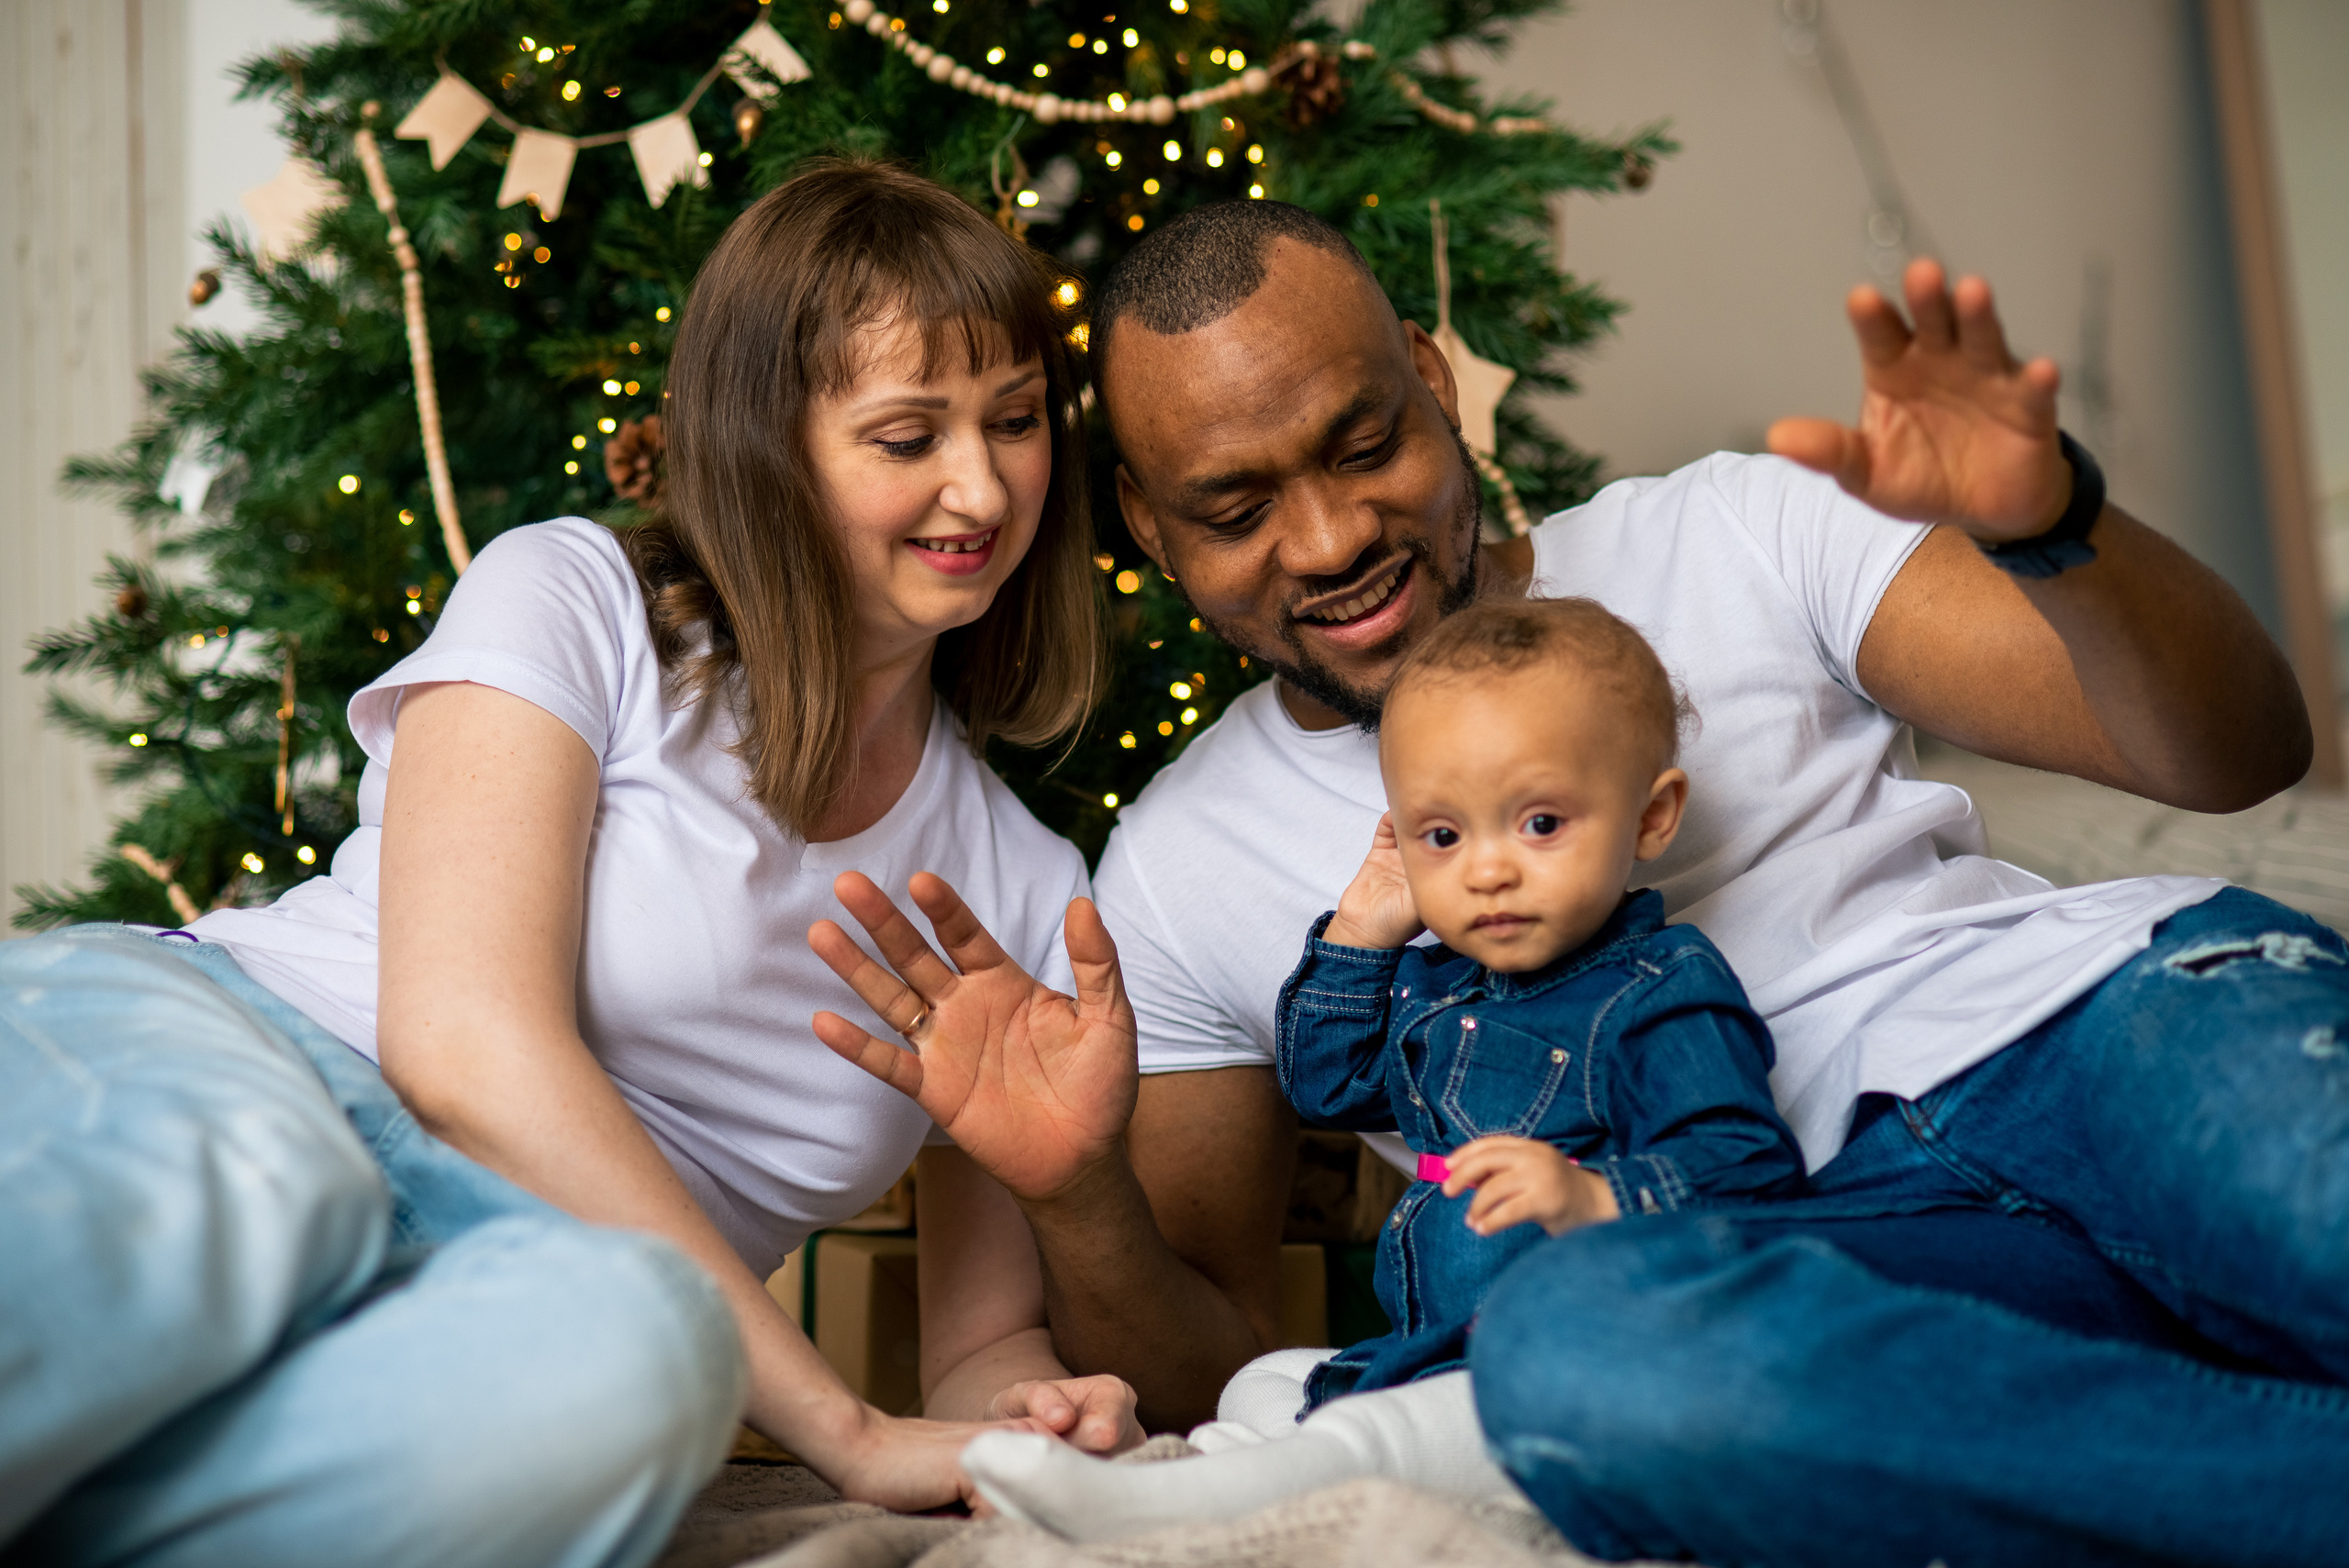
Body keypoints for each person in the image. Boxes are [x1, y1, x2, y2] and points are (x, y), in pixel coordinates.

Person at [811, 200, 2349, 1564]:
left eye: (1364, 444)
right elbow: (1212, 1365)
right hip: (1804, 1259)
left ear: (1431, 373)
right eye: (1235, 506)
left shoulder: (1737, 530)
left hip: (2103, 1035)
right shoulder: (1180, 865)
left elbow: (2236, 751)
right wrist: (1077, 1195)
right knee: (1568, 1355)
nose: (1333, 535)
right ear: (1147, 526)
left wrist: (2057, 529)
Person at [0, 161, 1140, 1568]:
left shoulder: (1022, 883)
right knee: (248, 1202)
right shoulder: (580, 597)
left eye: (1016, 422)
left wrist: (1024, 1416)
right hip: (244, 1056)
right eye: (908, 436)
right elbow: (460, 1045)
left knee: (641, 1369)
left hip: (503, 1287)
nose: (982, 484)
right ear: (768, 445)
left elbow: (977, 1340)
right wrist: (838, 1425)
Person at [951, 595, 1809, 1541]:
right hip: (1434, 1346)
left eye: (1538, 822)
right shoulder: (1438, 988)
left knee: (1388, 1427)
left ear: (1650, 816)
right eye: (1443, 835)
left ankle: (1161, 1504)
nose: (1486, 870)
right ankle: (1225, 1464)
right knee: (1265, 1381)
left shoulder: (1660, 988)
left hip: (1581, 1362)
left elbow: (1746, 1168)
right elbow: (1324, 1081)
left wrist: (1589, 1193)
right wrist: (1361, 933)